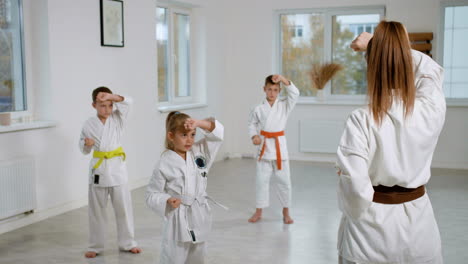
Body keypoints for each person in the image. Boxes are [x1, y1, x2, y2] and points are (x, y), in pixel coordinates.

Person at [336, 21, 446, 264]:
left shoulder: (361, 119)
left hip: (368, 237)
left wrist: (376, 47)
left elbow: (354, 187)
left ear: (370, 67)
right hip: (420, 232)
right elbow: (430, 69)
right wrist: (377, 45)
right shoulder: (431, 109)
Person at [146, 111, 225, 264]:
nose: (189, 140)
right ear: (171, 136)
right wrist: (167, 199)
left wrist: (199, 123)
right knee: (173, 257)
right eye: (183, 135)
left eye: (192, 134)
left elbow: (217, 133)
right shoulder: (164, 163)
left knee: (198, 256)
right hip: (177, 217)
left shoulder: (199, 151)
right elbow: (151, 194)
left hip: (198, 212)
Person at [79, 87, 141, 258]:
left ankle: (128, 243)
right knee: (96, 211)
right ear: (94, 105)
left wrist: (112, 96)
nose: (106, 109)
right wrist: (87, 144)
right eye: (102, 105)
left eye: (109, 105)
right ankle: (95, 246)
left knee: (124, 209)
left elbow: (130, 101)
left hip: (117, 168)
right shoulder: (88, 124)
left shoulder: (119, 118)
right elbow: (83, 149)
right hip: (98, 169)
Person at [247, 74, 299, 224]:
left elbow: (295, 93)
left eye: (275, 90)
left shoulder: (284, 105)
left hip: (279, 148)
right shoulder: (257, 108)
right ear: (264, 89)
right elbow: (251, 124)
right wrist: (254, 136)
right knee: (261, 181)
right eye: (269, 89)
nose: (272, 93)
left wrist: (282, 78)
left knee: (284, 181)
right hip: (264, 146)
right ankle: (258, 211)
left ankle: (286, 211)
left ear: (279, 90)